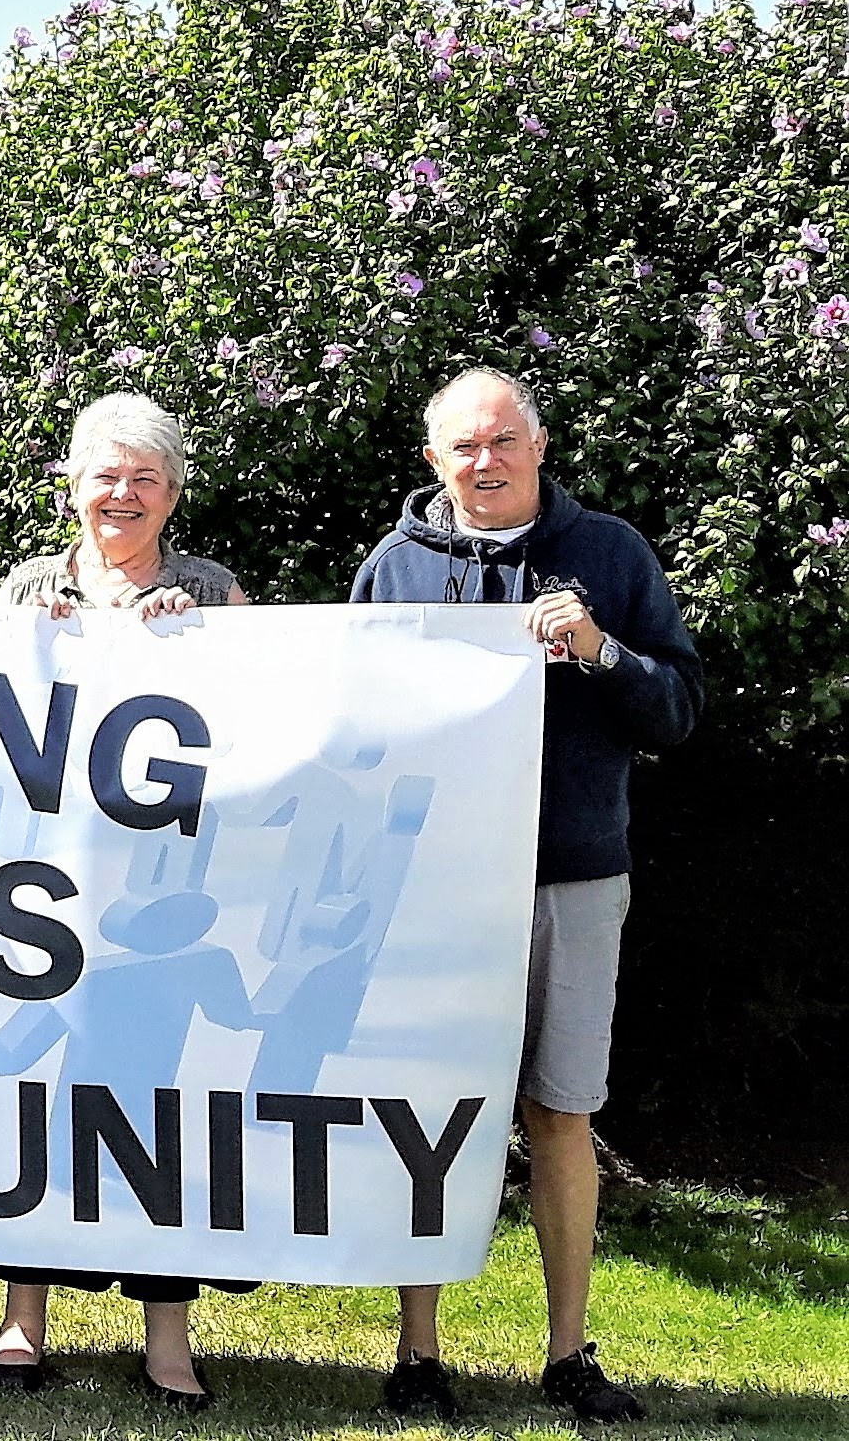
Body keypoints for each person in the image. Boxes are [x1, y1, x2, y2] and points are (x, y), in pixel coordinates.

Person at [352, 367, 702, 1424]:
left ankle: (566, 1352)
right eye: (462, 445)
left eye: (501, 439)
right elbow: (345, 723)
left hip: (570, 875)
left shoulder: (609, 554)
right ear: (432, 460)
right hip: (430, 887)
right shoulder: (392, 567)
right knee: (425, 1111)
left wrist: (599, 651)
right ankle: (416, 1351)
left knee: (559, 1108)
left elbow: (679, 709)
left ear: (538, 445)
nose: (483, 460)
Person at [0, 391, 254, 1409]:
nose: (121, 493)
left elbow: (260, 722)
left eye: (144, 477)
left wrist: (205, 646)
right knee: (42, 1102)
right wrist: (29, 641)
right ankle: (21, 1316)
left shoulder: (210, 588)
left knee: (155, 1113)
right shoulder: (24, 586)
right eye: (104, 474)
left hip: (162, 899)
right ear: (71, 490)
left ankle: (167, 1337)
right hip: (48, 893)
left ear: (171, 494)